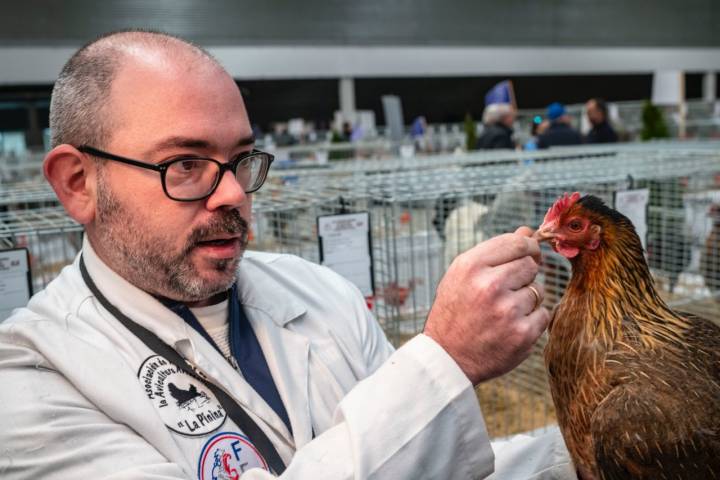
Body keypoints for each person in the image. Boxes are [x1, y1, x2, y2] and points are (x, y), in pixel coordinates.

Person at [0, 31, 574, 479]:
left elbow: (435, 465)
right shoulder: (31, 382)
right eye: (185, 164)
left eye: (242, 159)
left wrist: (583, 455)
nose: (232, 194)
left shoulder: (318, 293)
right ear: (78, 183)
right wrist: (444, 362)